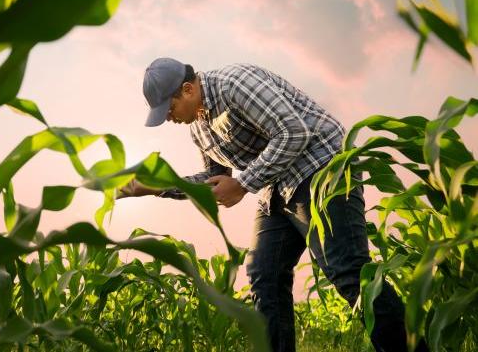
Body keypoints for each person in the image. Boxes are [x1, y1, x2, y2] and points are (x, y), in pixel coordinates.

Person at [116, 57, 428, 352]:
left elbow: (294, 132)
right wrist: (154, 187)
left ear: (187, 89)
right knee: (265, 275)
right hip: (276, 187)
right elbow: (214, 179)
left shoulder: (235, 84)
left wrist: (242, 184)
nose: (168, 119)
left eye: (167, 109)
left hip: (320, 167)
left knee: (347, 269)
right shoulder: (198, 128)